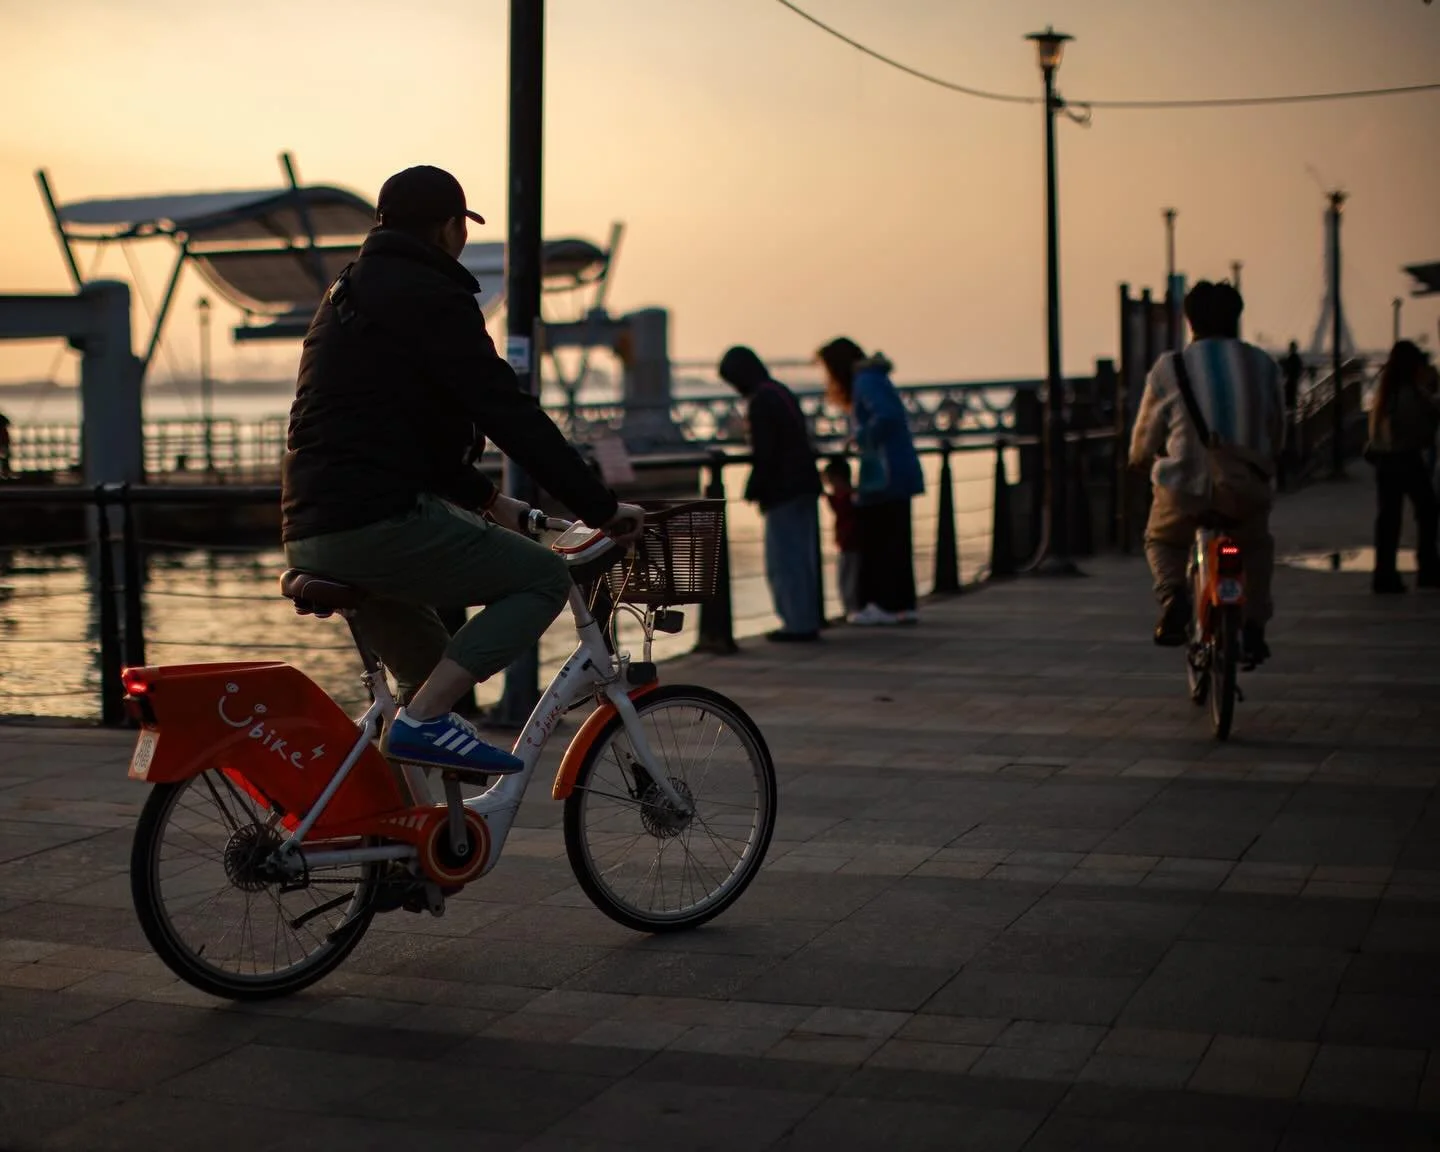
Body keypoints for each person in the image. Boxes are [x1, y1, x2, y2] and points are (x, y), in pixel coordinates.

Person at [282, 165, 643, 778]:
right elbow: (506, 410)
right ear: (451, 228)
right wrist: (601, 507)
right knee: (540, 580)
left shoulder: (351, 289)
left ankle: (396, 857)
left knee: (430, 690)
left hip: (314, 527)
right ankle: (421, 724)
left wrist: (488, 500)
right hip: (376, 520)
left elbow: (398, 426)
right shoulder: (431, 294)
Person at [1129, 281, 1283, 666]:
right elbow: (1277, 430)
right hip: (1243, 488)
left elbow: (1144, 440)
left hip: (1185, 489)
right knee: (1256, 547)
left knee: (1161, 540)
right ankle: (1253, 628)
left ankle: (1173, 599)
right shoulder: (1263, 364)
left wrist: (1140, 460)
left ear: (1189, 320)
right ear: (1237, 317)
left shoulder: (1170, 367)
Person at [717, 346, 823, 641]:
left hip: (783, 490)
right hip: (804, 483)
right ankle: (806, 619)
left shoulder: (761, 401)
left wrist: (754, 487)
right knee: (802, 559)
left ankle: (796, 624)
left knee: (784, 560)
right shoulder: (779, 391)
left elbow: (766, 451)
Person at [817, 338, 924, 625]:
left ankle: (882, 604)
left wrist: (861, 438)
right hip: (898, 471)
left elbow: (885, 417)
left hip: (883, 475)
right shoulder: (876, 377)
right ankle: (902, 603)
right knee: (896, 539)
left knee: (879, 539)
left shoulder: (864, 382)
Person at [1365, 339, 1440, 593]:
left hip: (1386, 461)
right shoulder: (1408, 393)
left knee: (1388, 518)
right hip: (1405, 459)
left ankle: (1384, 573)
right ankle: (1427, 568)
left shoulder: (1387, 392)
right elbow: (1421, 428)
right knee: (1428, 511)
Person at [822, 456, 862, 618]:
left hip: (849, 543)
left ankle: (851, 609)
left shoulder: (845, 497)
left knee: (847, 578)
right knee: (849, 577)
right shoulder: (852, 495)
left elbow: (840, 509)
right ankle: (851, 608)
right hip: (850, 543)